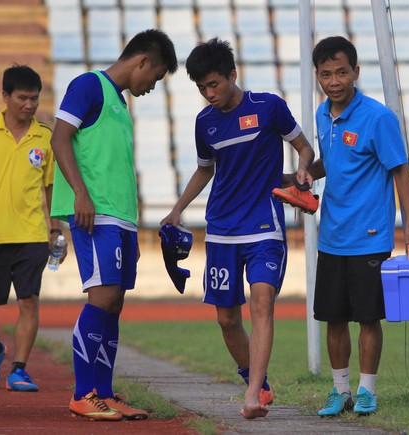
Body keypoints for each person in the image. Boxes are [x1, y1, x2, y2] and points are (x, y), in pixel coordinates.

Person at [161, 37, 315, 420]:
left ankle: (251, 395)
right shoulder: (204, 122)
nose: (208, 94)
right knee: (227, 318)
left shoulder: (268, 107)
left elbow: (304, 148)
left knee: (262, 302)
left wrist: (302, 169)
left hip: (264, 226)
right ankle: (257, 381)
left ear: (232, 75)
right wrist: (177, 209)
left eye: (214, 84)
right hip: (221, 231)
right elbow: (204, 168)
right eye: (201, 88)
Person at [50, 29, 178, 422]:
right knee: (101, 299)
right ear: (142, 61)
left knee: (115, 304)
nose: (152, 87)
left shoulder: (119, 103)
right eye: (154, 78)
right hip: (96, 212)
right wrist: (80, 195)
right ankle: (82, 393)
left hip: (121, 218)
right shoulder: (89, 85)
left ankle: (104, 393)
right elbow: (59, 138)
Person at [306, 36, 409, 416]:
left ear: (356, 72)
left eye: (342, 72)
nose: (334, 81)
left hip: (370, 236)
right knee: (333, 317)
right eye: (326, 74)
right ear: (318, 78)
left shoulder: (379, 118)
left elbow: (401, 172)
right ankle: (340, 391)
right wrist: (304, 174)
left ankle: (367, 391)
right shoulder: (322, 114)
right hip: (331, 235)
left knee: (369, 317)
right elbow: (331, 159)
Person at [0, 65, 66, 392]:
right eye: (22, 98)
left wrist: (55, 229)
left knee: (29, 301)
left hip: (31, 235)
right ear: (5, 97)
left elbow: (51, 185)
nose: (29, 105)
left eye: (34, 99)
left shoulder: (46, 137)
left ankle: (20, 369)